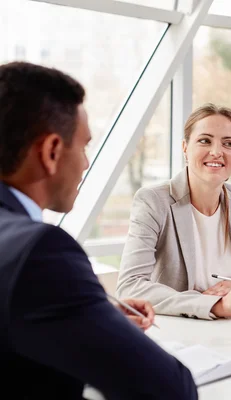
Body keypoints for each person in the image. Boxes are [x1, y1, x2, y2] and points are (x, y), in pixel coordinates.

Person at [0, 62, 197, 398]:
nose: (87, 163)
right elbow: (169, 388)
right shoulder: (41, 253)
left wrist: (93, 317)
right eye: (84, 146)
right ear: (51, 152)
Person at [117, 103, 231, 320]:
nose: (217, 152)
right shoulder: (154, 201)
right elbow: (130, 286)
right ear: (185, 148)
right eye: (205, 140)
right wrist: (215, 304)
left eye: (228, 143)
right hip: (178, 329)